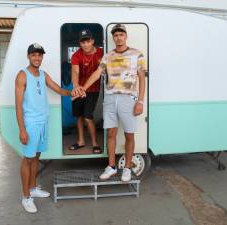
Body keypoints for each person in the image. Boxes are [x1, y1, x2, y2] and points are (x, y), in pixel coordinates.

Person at [73, 24, 146, 182]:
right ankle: (111, 167)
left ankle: (127, 167)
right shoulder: (108, 56)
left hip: (128, 98)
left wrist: (140, 101)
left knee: (129, 135)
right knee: (111, 133)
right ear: (113, 38)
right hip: (111, 99)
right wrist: (82, 88)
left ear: (125, 36)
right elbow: (97, 73)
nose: (118, 37)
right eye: (116, 35)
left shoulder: (137, 54)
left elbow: (141, 78)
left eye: (121, 34)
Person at [15, 43, 71, 213]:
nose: (37, 58)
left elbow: (58, 89)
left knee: (36, 156)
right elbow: (18, 106)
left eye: (39, 55)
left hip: (43, 121)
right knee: (28, 159)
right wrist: (22, 130)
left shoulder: (42, 74)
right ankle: (26, 197)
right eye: (34, 55)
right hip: (30, 123)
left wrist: (73, 92)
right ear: (28, 56)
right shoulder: (22, 76)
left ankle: (33, 188)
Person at [69, 29, 104, 154]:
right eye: (83, 42)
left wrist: (83, 88)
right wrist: (76, 85)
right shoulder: (76, 55)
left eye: (88, 41)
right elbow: (75, 71)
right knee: (79, 116)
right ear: (80, 43)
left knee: (88, 116)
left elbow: (100, 72)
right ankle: (81, 141)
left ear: (92, 41)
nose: (85, 45)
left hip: (93, 89)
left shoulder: (101, 52)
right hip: (78, 88)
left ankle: (95, 143)